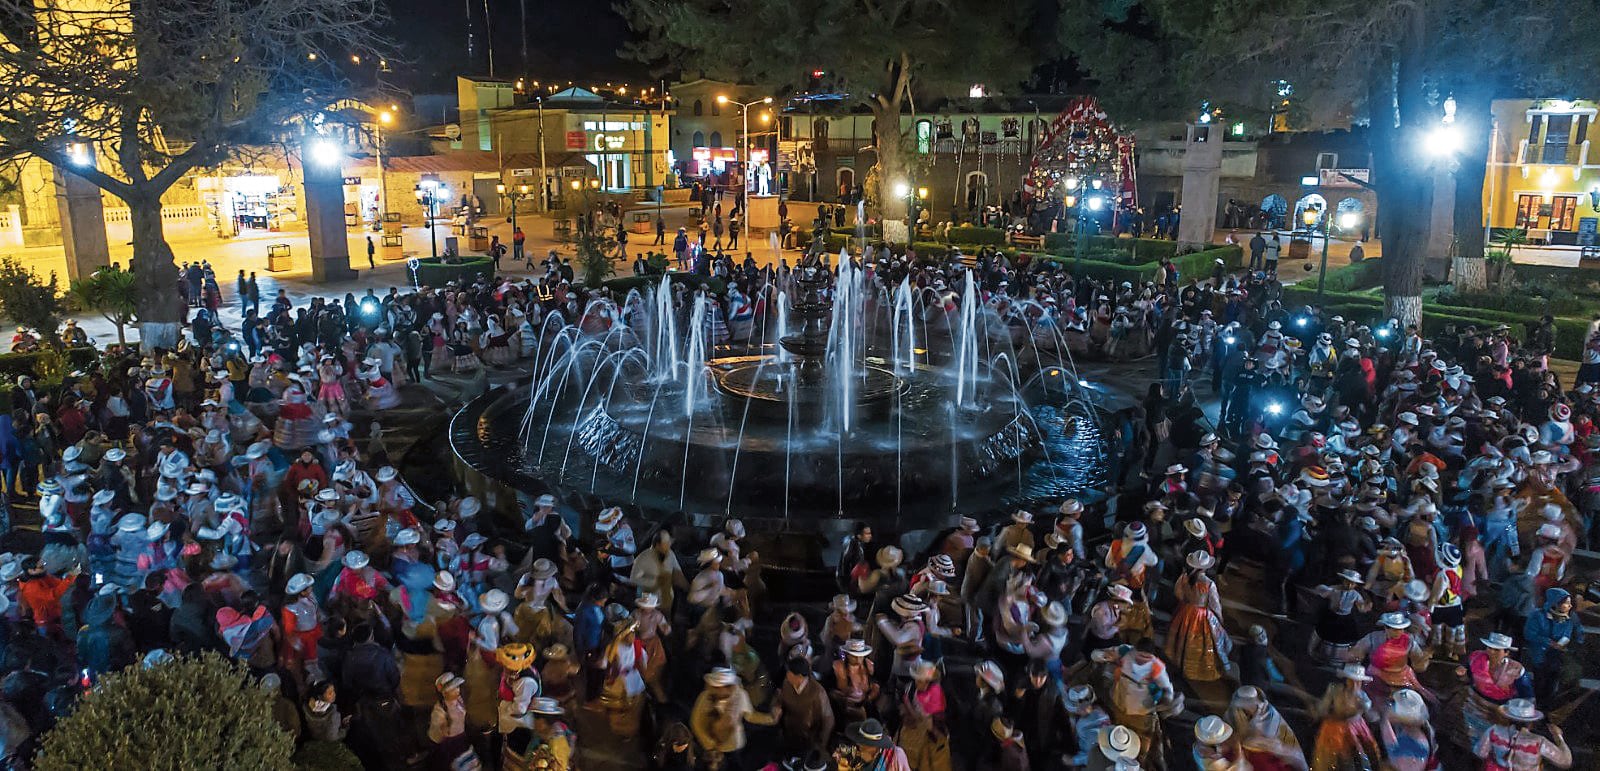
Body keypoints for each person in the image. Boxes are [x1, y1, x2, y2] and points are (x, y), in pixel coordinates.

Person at [1474, 698, 1571, 771]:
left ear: (1508, 718)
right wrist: (1558, 736)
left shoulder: (1494, 731)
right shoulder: (1538, 742)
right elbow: (1565, 761)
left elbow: (1481, 753)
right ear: (1530, 722)